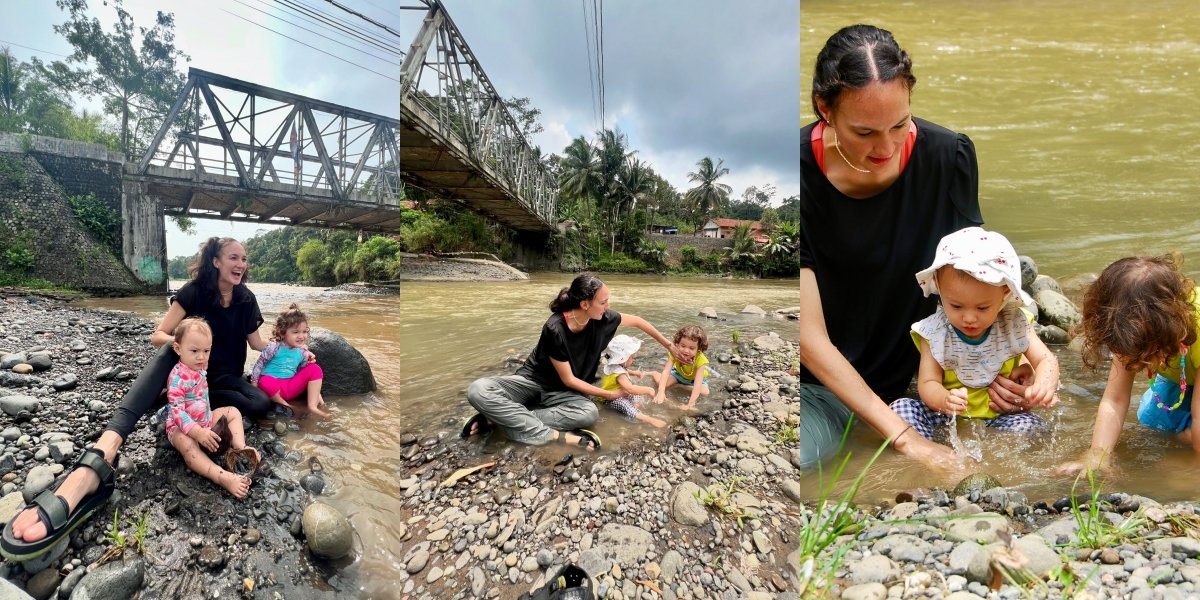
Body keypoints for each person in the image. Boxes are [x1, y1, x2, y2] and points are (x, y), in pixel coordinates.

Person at [799, 24, 1035, 470]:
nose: (886, 147)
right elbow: (808, 339)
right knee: (803, 462)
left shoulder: (949, 157)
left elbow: (977, 280)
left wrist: (1009, 365)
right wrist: (908, 441)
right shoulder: (796, 176)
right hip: (818, 384)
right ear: (823, 109)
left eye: (900, 124)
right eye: (865, 132)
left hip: (915, 381)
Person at [2, 237, 274, 560]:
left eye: (244, 259)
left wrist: (293, 349)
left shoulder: (245, 299)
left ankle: (178, 403)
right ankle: (105, 451)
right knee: (165, 350)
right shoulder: (193, 292)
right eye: (234, 257)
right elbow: (158, 334)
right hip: (187, 373)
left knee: (261, 404)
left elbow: (258, 344)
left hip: (218, 382)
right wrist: (186, 345)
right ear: (216, 261)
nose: (241, 265)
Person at [462, 273, 678, 450]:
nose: (608, 306)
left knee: (589, 413)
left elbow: (639, 322)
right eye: (603, 302)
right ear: (585, 304)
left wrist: (669, 346)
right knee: (478, 390)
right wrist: (611, 394)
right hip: (534, 383)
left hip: (564, 395)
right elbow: (569, 379)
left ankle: (500, 418)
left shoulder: (603, 319)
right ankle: (548, 433)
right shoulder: (555, 328)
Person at [890, 227, 1060, 440]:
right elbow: (927, 383)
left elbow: (1045, 359)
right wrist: (944, 400)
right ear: (940, 288)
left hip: (999, 415)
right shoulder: (934, 333)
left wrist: (1044, 383)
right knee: (900, 409)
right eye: (956, 306)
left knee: (1033, 428)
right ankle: (933, 451)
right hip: (945, 417)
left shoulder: (1013, 324)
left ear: (1004, 293)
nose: (969, 318)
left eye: (982, 308)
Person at [1055, 255, 1200, 476]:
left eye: (1150, 352)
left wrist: (1192, 464)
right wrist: (1097, 457)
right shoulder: (1129, 328)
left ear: (1172, 327)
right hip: (1182, 372)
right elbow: (1115, 398)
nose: (1144, 362)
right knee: (1153, 421)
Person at [164, 318, 258, 498]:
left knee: (233, 412)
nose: (201, 356)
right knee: (189, 448)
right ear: (178, 349)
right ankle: (221, 476)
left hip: (205, 419)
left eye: (206, 350)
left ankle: (240, 447)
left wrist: (205, 425)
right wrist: (198, 433)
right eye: (194, 351)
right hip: (181, 427)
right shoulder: (177, 378)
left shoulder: (200, 366)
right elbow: (177, 412)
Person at [250, 303, 328, 417]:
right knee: (265, 381)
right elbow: (260, 364)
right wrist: (254, 384)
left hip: (290, 386)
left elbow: (305, 374)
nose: (301, 336)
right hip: (274, 388)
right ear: (282, 333)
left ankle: (313, 406)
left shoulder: (302, 352)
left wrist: (308, 360)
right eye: (296, 332)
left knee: (315, 368)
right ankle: (286, 405)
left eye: (304, 331)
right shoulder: (274, 347)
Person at [596, 334, 667, 428]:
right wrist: (648, 390)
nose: (634, 358)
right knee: (625, 402)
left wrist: (634, 372)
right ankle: (647, 418)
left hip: (619, 392)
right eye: (632, 356)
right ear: (622, 358)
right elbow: (630, 389)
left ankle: (636, 405)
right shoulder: (620, 374)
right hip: (609, 400)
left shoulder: (613, 364)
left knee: (636, 394)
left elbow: (622, 371)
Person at [653, 325, 711, 411]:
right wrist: (661, 392)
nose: (686, 351)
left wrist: (690, 404)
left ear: (698, 349)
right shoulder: (675, 353)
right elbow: (666, 371)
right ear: (677, 344)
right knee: (659, 383)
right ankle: (653, 373)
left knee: (705, 392)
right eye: (683, 346)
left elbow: (697, 384)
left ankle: (679, 386)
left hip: (694, 380)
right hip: (678, 374)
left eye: (692, 348)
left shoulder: (700, 360)